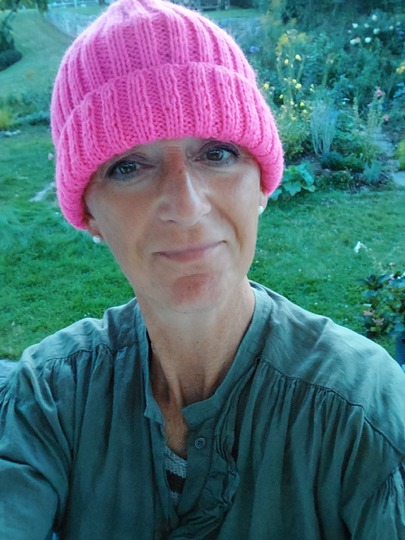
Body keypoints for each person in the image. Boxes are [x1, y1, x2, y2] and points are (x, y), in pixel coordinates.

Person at [0, 0, 404, 538]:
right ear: (89, 213)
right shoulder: (48, 399)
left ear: (261, 185)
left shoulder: (364, 416)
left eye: (217, 154)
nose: (187, 207)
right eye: (129, 166)